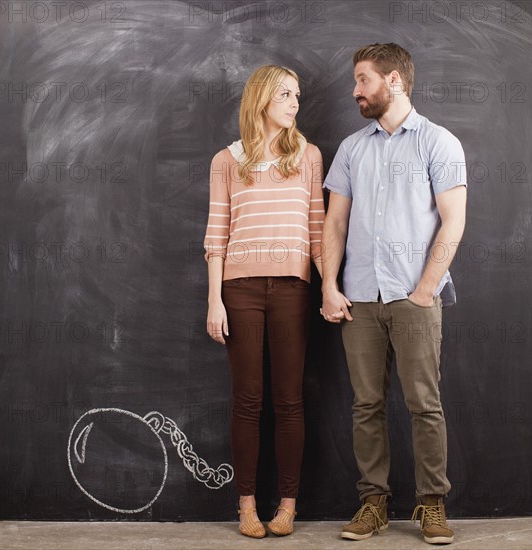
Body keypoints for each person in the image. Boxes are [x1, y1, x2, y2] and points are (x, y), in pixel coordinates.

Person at [321, 43, 467, 545]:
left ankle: (431, 504)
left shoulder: (438, 142)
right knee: (366, 405)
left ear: (394, 82)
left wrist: (426, 289)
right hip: (358, 299)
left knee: (424, 403)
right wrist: (329, 285)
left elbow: (454, 221)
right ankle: (374, 503)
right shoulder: (350, 148)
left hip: (414, 296)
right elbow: (334, 223)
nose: (355, 89)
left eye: (363, 79)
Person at [203, 64, 324, 538]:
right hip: (240, 290)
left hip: (293, 289)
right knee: (247, 401)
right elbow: (216, 234)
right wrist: (215, 300)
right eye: (285, 95)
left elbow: (317, 230)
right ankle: (247, 505)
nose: (294, 103)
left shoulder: (308, 157)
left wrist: (327, 283)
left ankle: (288, 505)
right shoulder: (226, 161)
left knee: (289, 400)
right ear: (260, 101)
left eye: (297, 94)